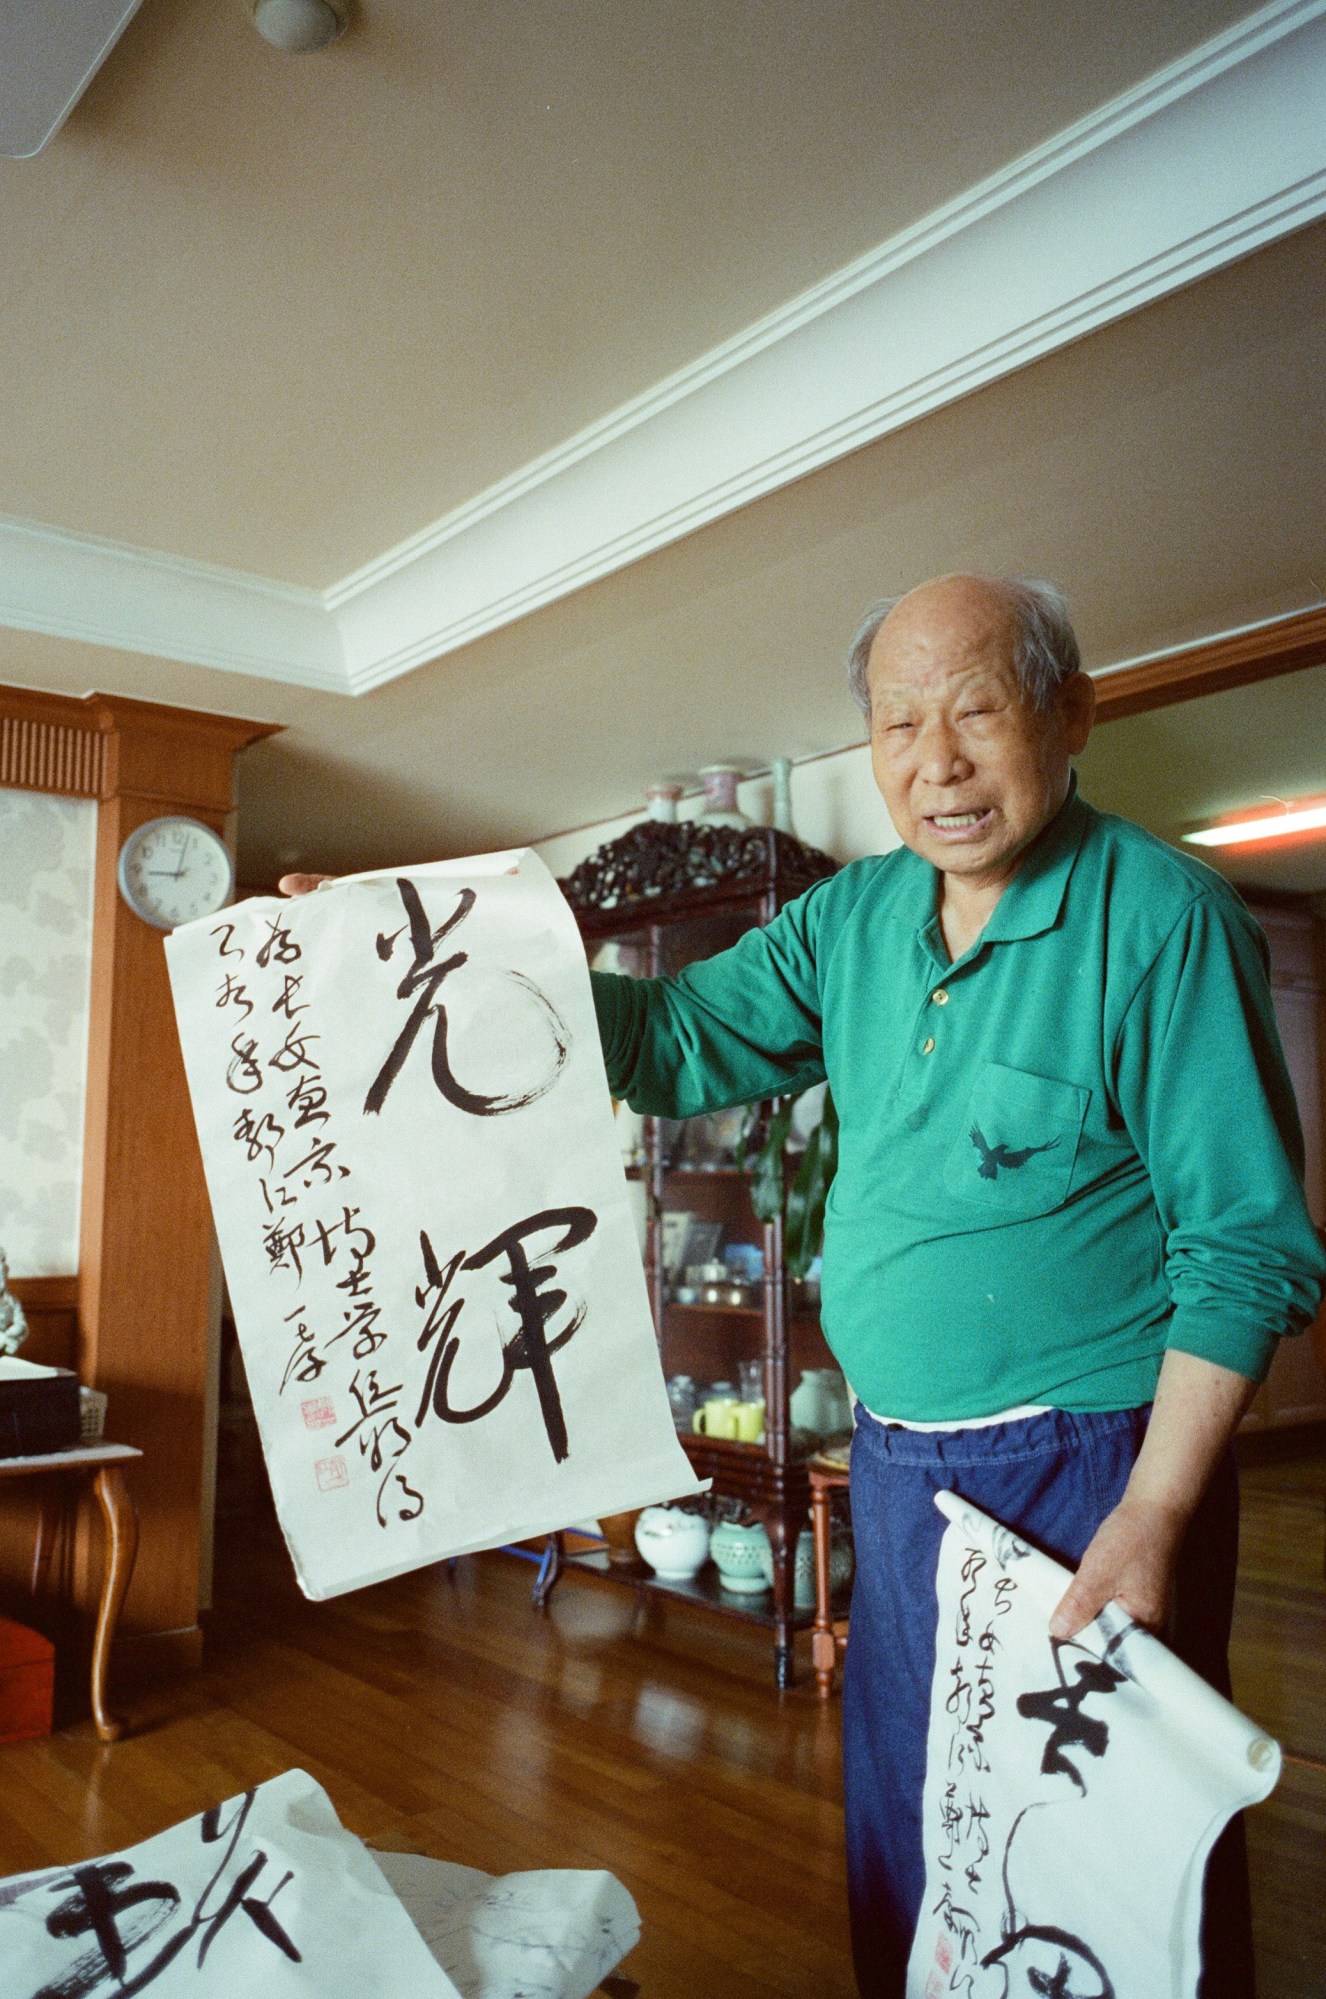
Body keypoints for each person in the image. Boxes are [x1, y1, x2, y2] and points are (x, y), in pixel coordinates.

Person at [282, 572, 1324, 1996]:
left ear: (1067, 713)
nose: (933, 763)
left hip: (1089, 1464)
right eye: (896, 726)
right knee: (919, 1824)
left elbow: (1243, 1244)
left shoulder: (1160, 919)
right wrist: (431, 961)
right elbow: (669, 1040)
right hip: (897, 1461)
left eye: (974, 713)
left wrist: (1154, 1513)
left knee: (1103, 1862)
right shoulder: (857, 920)